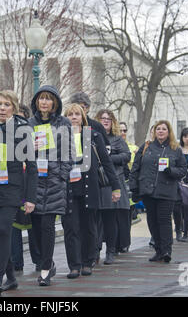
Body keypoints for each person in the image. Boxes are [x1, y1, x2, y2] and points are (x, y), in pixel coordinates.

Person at [0, 91, 37, 295]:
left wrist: (30, 198)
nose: (2, 108)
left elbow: (31, 166)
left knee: (4, 231)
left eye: (7, 104)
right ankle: (11, 278)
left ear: (14, 107)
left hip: (12, 188)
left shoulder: (22, 129)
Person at [62, 105, 120, 278]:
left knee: (89, 227)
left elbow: (107, 162)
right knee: (71, 228)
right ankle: (74, 265)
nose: (73, 117)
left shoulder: (94, 136)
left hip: (89, 188)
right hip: (68, 189)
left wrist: (115, 187)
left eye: (77, 114)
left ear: (83, 116)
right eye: (70, 114)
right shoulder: (61, 137)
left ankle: (88, 262)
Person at [28, 85, 73, 286]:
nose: (44, 102)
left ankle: (45, 270)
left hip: (54, 182)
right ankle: (48, 262)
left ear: (55, 102)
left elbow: (70, 152)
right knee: (36, 227)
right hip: (34, 181)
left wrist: (61, 175)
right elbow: (19, 152)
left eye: (48, 99)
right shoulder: (28, 124)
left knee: (47, 226)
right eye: (41, 99)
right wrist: (30, 147)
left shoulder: (63, 123)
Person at [129, 120, 187, 263]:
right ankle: (158, 250)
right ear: (154, 132)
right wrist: (134, 188)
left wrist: (171, 171)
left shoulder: (175, 149)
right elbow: (135, 168)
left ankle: (167, 250)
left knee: (164, 220)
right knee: (152, 221)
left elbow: (183, 170)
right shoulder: (146, 147)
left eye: (164, 129)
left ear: (169, 132)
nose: (160, 131)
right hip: (148, 190)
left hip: (166, 191)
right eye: (158, 129)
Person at [68, 92, 109, 264]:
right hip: (71, 183)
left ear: (87, 109)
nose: (77, 114)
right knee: (74, 225)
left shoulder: (95, 128)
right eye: (73, 111)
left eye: (82, 109)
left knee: (91, 222)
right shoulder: (64, 131)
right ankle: (77, 261)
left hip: (91, 180)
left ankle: (93, 252)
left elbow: (105, 153)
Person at [95, 109, 130, 264]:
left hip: (111, 182)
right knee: (95, 222)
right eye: (102, 118)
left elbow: (126, 156)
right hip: (95, 183)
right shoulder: (93, 137)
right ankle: (94, 252)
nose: (106, 121)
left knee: (109, 220)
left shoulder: (117, 139)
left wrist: (108, 158)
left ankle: (110, 251)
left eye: (109, 119)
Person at [10, 104, 41, 274]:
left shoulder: (34, 136)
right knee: (14, 225)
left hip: (29, 184)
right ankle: (16, 262)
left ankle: (38, 259)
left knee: (33, 224)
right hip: (13, 186)